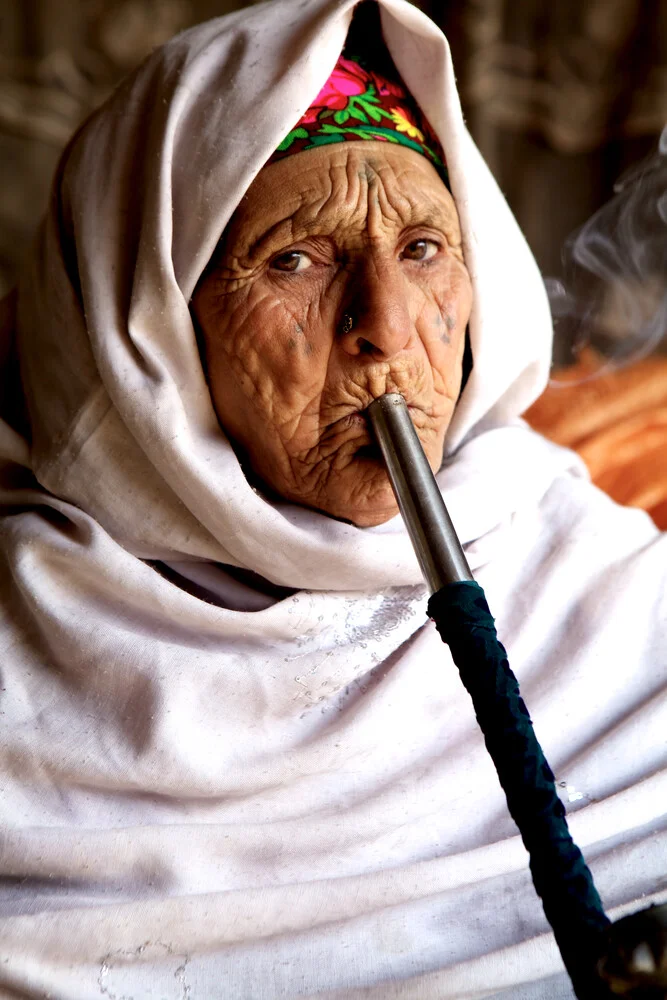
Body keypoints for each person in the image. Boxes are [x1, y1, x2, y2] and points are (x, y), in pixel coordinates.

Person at [0, 0, 664, 997]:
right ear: (149, 337)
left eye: (424, 248)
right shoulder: (29, 657)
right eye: (294, 260)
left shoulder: (591, 578)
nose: (385, 329)